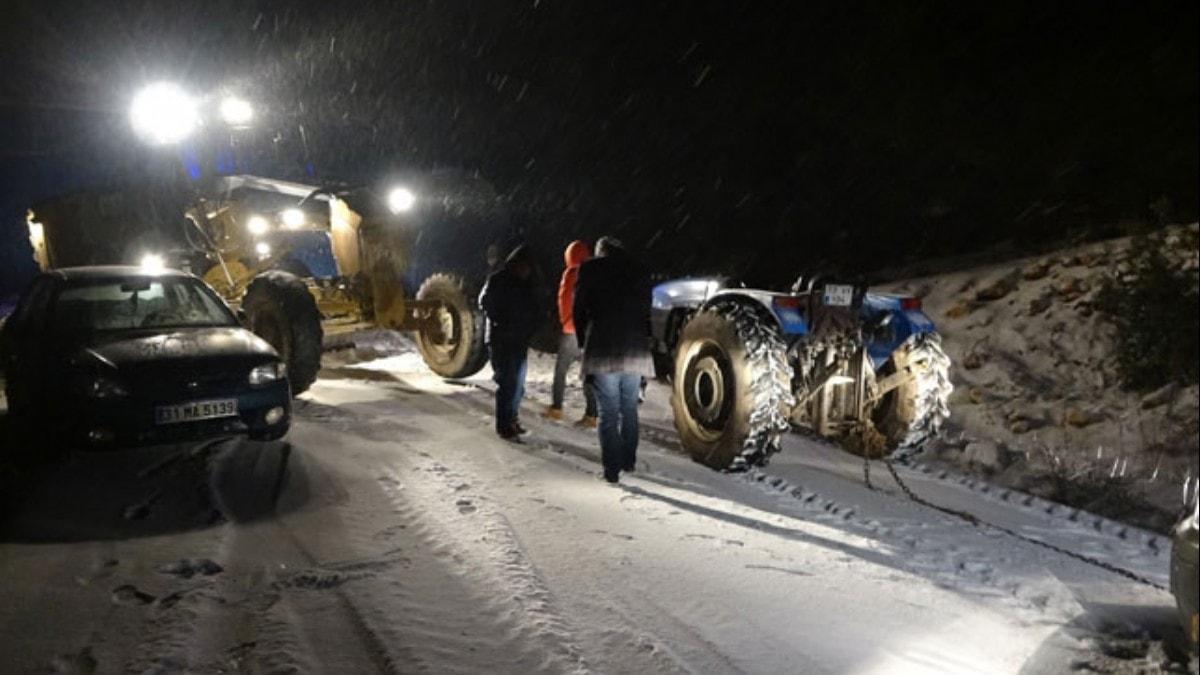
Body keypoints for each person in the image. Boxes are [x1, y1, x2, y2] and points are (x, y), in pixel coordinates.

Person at [573, 236, 653, 483]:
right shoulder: (639, 269)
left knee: (608, 411)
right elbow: (646, 308)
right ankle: (628, 460)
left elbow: (579, 309)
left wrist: (582, 339)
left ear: (599, 252)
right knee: (629, 409)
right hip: (635, 347)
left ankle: (612, 470)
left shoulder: (590, 268)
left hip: (603, 347)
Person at [479, 244, 540, 441]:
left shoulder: (526, 284)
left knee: (518, 384)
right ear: (516, 264)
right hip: (501, 339)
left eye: (529, 268)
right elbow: (485, 302)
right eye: (524, 267)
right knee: (507, 383)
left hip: (519, 340)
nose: (526, 271)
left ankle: (512, 418)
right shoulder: (499, 279)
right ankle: (504, 425)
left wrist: (530, 327)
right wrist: (501, 320)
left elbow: (532, 308)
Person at [543, 240, 599, 427]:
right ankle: (592, 414)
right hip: (589, 332)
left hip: (571, 332)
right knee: (587, 373)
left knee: (561, 371)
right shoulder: (593, 275)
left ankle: (557, 408)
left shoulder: (571, 274)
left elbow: (566, 302)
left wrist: (567, 322)